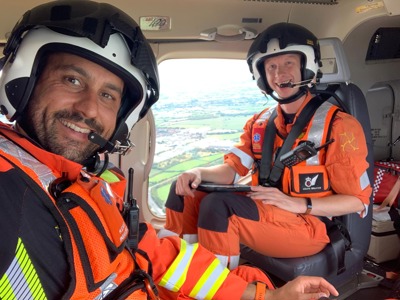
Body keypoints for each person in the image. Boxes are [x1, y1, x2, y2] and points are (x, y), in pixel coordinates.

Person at [0, 1, 340, 299]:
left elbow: (155, 253)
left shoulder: (87, 181)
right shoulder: (11, 183)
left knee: (229, 228)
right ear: (25, 78)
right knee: (187, 194)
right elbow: (235, 166)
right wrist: (193, 174)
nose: (89, 109)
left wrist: (262, 295)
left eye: (108, 95)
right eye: (72, 80)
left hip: (304, 222)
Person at [161, 22, 372, 270]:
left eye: (288, 64)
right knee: (184, 190)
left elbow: (358, 201)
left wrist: (301, 204)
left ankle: (219, 290)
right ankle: (183, 268)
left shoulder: (340, 126)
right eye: (271, 66)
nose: (278, 74)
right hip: (267, 211)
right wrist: (196, 173)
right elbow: (231, 171)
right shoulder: (259, 123)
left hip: (310, 224)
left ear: (307, 66)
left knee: (219, 207)